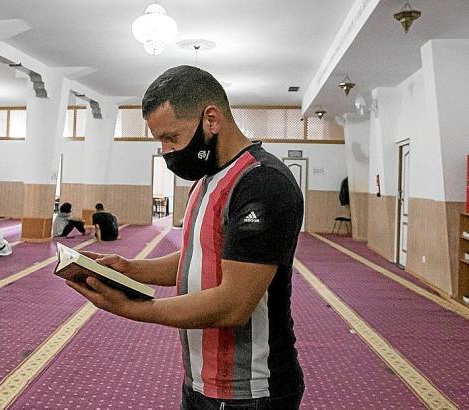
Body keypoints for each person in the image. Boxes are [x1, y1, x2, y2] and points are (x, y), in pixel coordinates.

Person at [66, 65, 305, 409]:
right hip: (200, 380)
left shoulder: (262, 182)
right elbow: (199, 255)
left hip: (251, 391)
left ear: (211, 120)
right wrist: (129, 268)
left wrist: (133, 309)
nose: (166, 151)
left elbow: (234, 305)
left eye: (173, 138)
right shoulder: (206, 179)